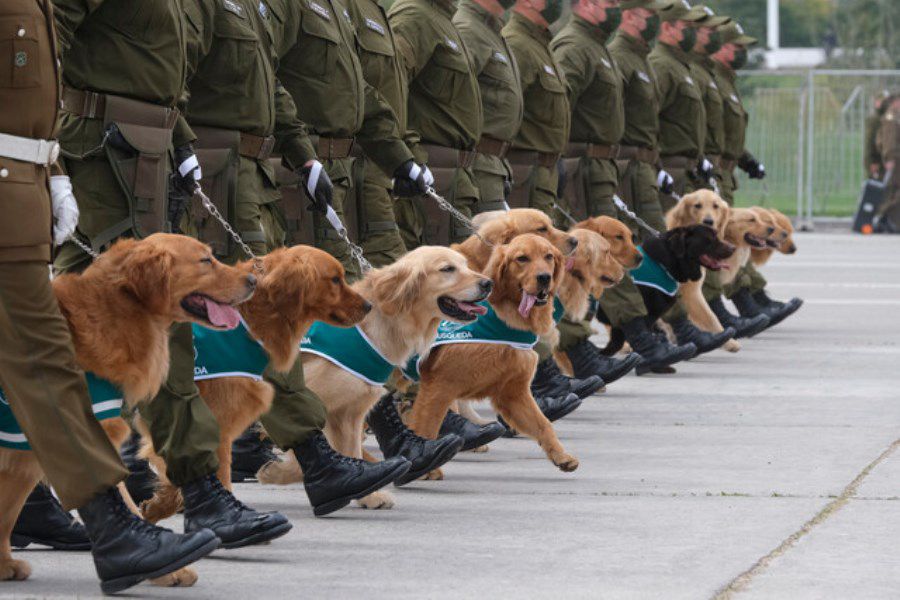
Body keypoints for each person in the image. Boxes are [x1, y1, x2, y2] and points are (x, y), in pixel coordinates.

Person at [0, 1, 218, 592]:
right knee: (46, 362)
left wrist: (53, 170)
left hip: (24, 192)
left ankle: (107, 526)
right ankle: (114, 527)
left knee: (42, 363)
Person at [51, 0, 281, 546]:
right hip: (100, 152)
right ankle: (196, 491)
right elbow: (35, 49)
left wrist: (178, 141)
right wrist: (50, 159)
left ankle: (51, 494)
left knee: (103, 339)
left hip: (145, 153)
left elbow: (168, 75)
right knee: (133, 328)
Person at [455, 0, 604, 406]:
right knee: (488, 279)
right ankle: (535, 376)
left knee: (521, 277)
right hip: (490, 165)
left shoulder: (511, 37)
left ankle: (536, 375)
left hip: (508, 166)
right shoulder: (499, 35)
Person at [551, 0, 699, 378]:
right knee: (595, 258)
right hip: (586, 163)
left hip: (606, 164)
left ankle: (641, 332)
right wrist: (555, 156)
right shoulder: (577, 46)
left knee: (616, 255)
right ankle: (613, 339)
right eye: (612, 4)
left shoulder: (601, 48)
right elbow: (557, 103)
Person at [707, 21, 803, 326]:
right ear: (720, 47)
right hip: (705, 172)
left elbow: (726, 136)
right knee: (721, 243)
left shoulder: (724, 81)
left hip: (722, 171)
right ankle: (740, 303)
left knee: (737, 241)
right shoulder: (710, 79)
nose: (741, 53)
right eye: (736, 47)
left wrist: (746, 160)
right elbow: (697, 133)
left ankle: (751, 299)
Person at [388, 0, 485, 247]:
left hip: (453, 176)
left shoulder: (442, 19)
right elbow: (389, 85)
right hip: (428, 174)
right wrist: (410, 155)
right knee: (434, 278)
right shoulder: (416, 16)